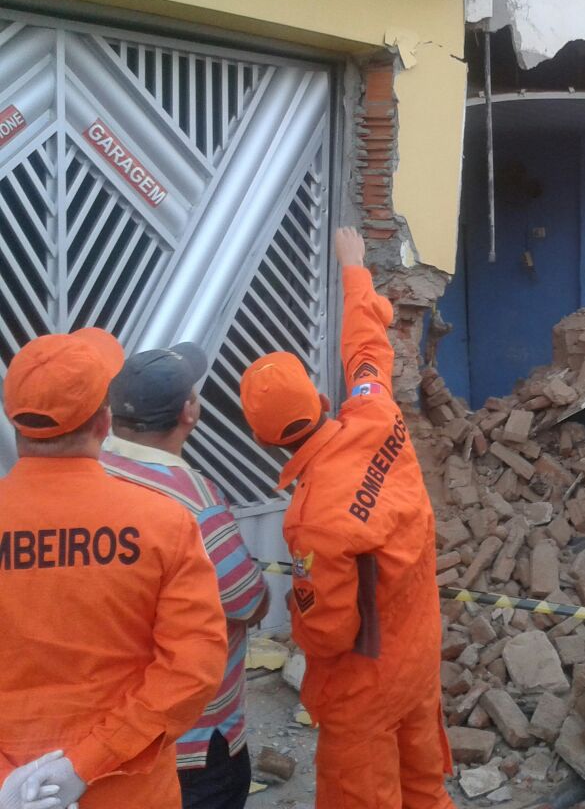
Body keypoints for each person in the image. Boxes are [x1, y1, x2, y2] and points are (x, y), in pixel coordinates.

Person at [238, 228, 453, 809]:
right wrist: (354, 267)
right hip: (418, 650)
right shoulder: (376, 412)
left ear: (263, 442)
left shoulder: (311, 521)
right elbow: (367, 347)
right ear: (321, 399)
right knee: (425, 788)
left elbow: (330, 632)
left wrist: (294, 613)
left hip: (365, 685)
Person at [0, 328, 226, 808]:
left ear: (12, 419)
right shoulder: (165, 522)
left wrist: (8, 781)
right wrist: (85, 763)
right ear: (104, 422)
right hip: (126, 788)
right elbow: (194, 667)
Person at [100, 344, 270, 809]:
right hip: (190, 737)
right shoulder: (196, 502)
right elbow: (248, 601)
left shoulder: (87, 475)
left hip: (105, 727)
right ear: (189, 413)